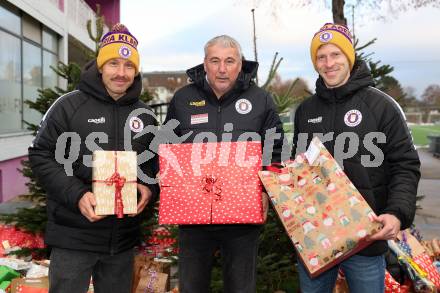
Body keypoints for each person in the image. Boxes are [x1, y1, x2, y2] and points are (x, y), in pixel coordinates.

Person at [28, 23, 158, 293]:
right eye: (113, 63)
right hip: (74, 236)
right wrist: (76, 194)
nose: (121, 73)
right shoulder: (68, 106)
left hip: (122, 241)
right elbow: (41, 154)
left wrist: (148, 187)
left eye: (128, 65)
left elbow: (152, 164)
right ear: (100, 66)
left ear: (136, 70)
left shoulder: (145, 115)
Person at [291, 23, 421, 292]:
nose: (329, 63)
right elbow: (300, 168)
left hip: (367, 237)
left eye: (336, 54)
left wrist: (396, 213)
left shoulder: (381, 105)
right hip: (318, 237)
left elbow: (405, 164)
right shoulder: (306, 111)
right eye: (321, 57)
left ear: (349, 57)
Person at [164, 35, 284, 292]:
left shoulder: (260, 99)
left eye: (229, 61)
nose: (222, 68)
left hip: (242, 218)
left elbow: (275, 149)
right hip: (192, 217)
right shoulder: (183, 99)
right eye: (215, 60)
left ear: (240, 64)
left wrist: (265, 191)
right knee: (192, 287)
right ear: (204, 64)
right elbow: (166, 148)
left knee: (241, 288)